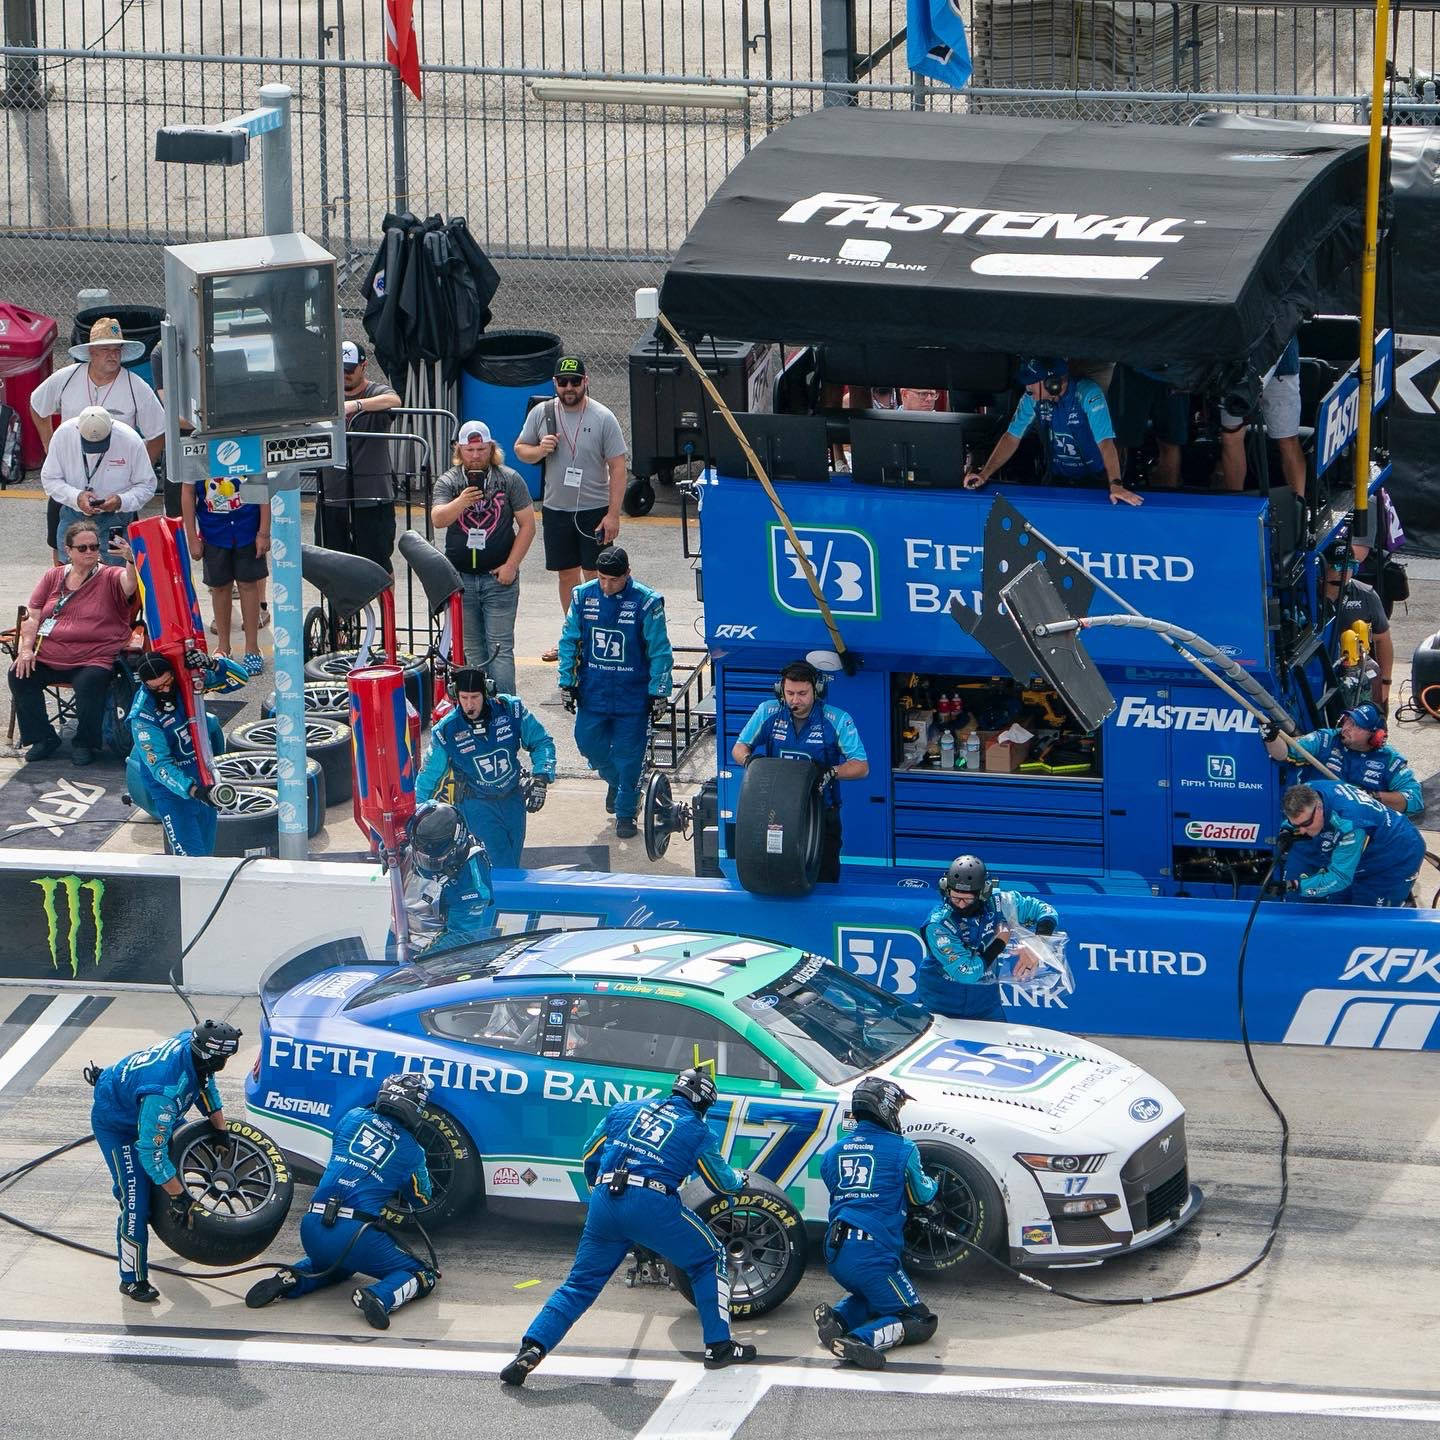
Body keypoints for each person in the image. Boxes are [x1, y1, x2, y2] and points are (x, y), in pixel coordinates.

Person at [499, 1067, 756, 1386]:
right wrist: (740, 1179)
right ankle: (719, 1347)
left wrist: (602, 1194)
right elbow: (723, 1183)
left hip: (606, 1200)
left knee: (579, 1284)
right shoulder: (697, 1131)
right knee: (708, 1258)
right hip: (652, 1203)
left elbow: (589, 1155)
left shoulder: (624, 1109)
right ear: (703, 1103)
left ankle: (532, 1348)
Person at [245, 1072, 440, 1330]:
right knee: (424, 1274)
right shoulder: (412, 1151)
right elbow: (422, 1197)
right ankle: (380, 1297)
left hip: (312, 1226)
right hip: (357, 1235)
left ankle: (291, 1278)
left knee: (338, 1265)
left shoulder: (352, 1117)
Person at [87, 1019, 242, 1301]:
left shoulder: (192, 1044)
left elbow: (205, 1083)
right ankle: (131, 1278)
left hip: (143, 1098)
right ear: (206, 1052)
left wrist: (220, 1130)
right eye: (221, 1059)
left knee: (178, 1158)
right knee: (136, 1204)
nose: (223, 1064)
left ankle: (139, 1186)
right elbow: (150, 1152)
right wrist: (179, 1197)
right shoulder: (165, 1093)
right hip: (118, 1124)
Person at [816, 1077, 939, 1370]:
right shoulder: (903, 1149)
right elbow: (921, 1195)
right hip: (872, 1255)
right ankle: (861, 1340)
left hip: (835, 1252)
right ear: (886, 1110)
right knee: (920, 1320)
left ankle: (838, 1318)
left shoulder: (832, 1154)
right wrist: (936, 1185)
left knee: (873, 1297)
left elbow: (840, 1190)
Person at [513, 356, 628, 663]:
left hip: (594, 508)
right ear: (555, 384)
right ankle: (575, 633)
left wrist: (613, 514)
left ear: (585, 381)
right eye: (563, 382)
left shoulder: (603, 417)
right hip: (556, 509)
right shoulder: (543, 413)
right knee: (566, 575)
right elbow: (520, 449)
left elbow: (618, 467)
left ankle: (598, 633)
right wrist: (540, 450)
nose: (569, 388)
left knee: (595, 574)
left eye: (575, 381)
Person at [557, 545, 672, 841]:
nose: (607, 586)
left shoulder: (647, 602)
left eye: (614, 580)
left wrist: (658, 691)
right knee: (587, 743)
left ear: (628, 574)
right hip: (593, 691)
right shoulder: (583, 596)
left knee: (629, 756)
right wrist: (566, 682)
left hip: (632, 696)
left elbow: (660, 651)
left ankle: (625, 811)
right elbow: (569, 640)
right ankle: (621, 783)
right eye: (603, 579)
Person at [31, 317, 165, 559]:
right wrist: (51, 448)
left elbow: (158, 432)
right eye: (105, 349)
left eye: (117, 350)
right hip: (71, 487)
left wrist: (138, 465)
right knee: (63, 554)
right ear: (91, 352)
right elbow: (37, 405)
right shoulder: (67, 377)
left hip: (116, 492)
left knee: (119, 563)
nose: (112, 356)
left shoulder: (136, 386)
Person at [8, 521, 139, 765]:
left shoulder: (110, 575)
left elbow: (129, 584)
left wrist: (130, 559)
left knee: (91, 681)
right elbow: (33, 614)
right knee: (19, 673)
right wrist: (26, 650)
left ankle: (85, 743)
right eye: (83, 548)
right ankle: (43, 739)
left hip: (92, 657)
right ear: (68, 550)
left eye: (94, 546)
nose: (89, 551)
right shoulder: (53, 576)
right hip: (49, 654)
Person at [732, 659, 868, 882]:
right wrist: (750, 762)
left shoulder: (838, 719)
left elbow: (861, 766)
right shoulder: (768, 711)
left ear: (817, 690)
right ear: (781, 691)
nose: (796, 700)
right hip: (776, 814)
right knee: (776, 876)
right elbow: (738, 748)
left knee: (824, 879)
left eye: (803, 693)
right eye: (790, 693)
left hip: (821, 815)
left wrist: (832, 771)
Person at [429, 419, 535, 696]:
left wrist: (512, 565)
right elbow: (438, 519)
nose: (475, 456)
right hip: (461, 579)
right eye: (469, 450)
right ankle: (479, 710)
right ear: (459, 450)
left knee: (500, 648)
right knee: (472, 649)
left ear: (491, 448)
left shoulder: (509, 479)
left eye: (481, 449)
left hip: (498, 578)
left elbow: (528, 524)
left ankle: (507, 712)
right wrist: (462, 501)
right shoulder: (449, 481)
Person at [415, 666, 556, 868]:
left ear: (487, 693)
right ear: (456, 695)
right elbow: (428, 776)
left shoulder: (511, 709)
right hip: (477, 806)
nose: (469, 705)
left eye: (475, 697)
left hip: (513, 800)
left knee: (512, 858)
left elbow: (542, 741)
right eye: (464, 698)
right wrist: (417, 815)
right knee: (501, 865)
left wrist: (541, 778)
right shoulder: (446, 731)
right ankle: (501, 899)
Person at [964, 358, 1143, 506]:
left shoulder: (1088, 393)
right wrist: (984, 474)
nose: (1027, 388)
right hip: (1057, 479)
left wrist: (1116, 484)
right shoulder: (1031, 398)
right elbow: (1012, 437)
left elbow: (1105, 442)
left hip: (1097, 481)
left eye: (1031, 382)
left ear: (1052, 384)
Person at [126, 650, 247, 856]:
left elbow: (240, 679)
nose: (164, 690)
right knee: (192, 861)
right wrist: (194, 791)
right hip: (172, 792)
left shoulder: (185, 681)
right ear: (146, 685)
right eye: (157, 688)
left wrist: (213, 664)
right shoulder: (142, 715)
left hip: (203, 778)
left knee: (206, 852)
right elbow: (160, 767)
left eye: (167, 683)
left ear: (173, 674)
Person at [918, 854, 1059, 1022]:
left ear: (983, 894)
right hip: (940, 1007)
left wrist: (1037, 945)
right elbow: (966, 973)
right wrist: (1000, 942)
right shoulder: (938, 923)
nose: (960, 904)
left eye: (967, 899)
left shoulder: (999, 903)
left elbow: (1045, 911)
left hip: (986, 1006)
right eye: (955, 897)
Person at [316, 341, 402, 573]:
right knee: (332, 562)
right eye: (340, 368)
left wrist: (355, 405)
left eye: (350, 369)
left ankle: (387, 610)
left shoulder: (375, 391)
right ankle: (341, 610)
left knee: (379, 562)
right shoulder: (327, 393)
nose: (345, 374)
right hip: (334, 494)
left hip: (372, 495)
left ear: (363, 366)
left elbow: (394, 400)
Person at [1278, 780, 1425, 907]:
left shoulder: (1349, 823)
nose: (1301, 831)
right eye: (1296, 825)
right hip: (1368, 844)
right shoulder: (1309, 790)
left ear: (1319, 808)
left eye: (1306, 823)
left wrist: (1295, 886)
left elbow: (1340, 878)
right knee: (1336, 908)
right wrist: (1287, 828)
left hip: (1399, 854)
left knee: (1367, 921)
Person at [181, 471, 270, 678]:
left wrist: (264, 531)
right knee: (220, 587)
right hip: (213, 531)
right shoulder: (196, 453)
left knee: (248, 584)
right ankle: (223, 647)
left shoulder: (246, 445)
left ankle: (252, 648)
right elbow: (187, 491)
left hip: (247, 528)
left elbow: (261, 484)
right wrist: (192, 537)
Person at [1262, 704, 1422, 818]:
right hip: (1313, 821)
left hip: (1359, 829)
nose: (1346, 728)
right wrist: (1271, 737)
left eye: (1356, 726)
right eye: (1348, 721)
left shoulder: (1389, 759)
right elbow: (1283, 754)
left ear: (1375, 736)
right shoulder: (1325, 739)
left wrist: (1370, 797)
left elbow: (1414, 799)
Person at [40, 406, 156, 562]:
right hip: (74, 515)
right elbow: (50, 479)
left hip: (116, 518)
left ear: (112, 429)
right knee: (71, 574)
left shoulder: (130, 439)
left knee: (116, 576)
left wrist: (121, 500)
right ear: (77, 429)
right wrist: (76, 497)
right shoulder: (63, 435)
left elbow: (147, 485)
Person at [405, 801, 496, 954]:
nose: (430, 863)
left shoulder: (472, 879)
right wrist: (389, 845)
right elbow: (391, 823)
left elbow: (462, 937)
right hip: (407, 920)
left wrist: (418, 963)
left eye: (437, 859)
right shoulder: (417, 819)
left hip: (442, 942)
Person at [1219, 337, 1306, 497]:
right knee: (1230, 438)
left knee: (1287, 440)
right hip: (1233, 366)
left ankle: (1298, 508)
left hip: (1281, 365)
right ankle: (1234, 506)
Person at [1324, 543, 1393, 711]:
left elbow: (1383, 640)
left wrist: (1384, 683)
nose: (1344, 571)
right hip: (1321, 677)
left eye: (1350, 566)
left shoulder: (1366, 595)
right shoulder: (1306, 595)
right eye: (1339, 566)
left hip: (1357, 676)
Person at [1108, 364, 1187, 489]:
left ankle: (1167, 499)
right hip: (1133, 365)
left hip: (1174, 369)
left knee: (1171, 441)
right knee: (1119, 438)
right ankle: (1115, 491)